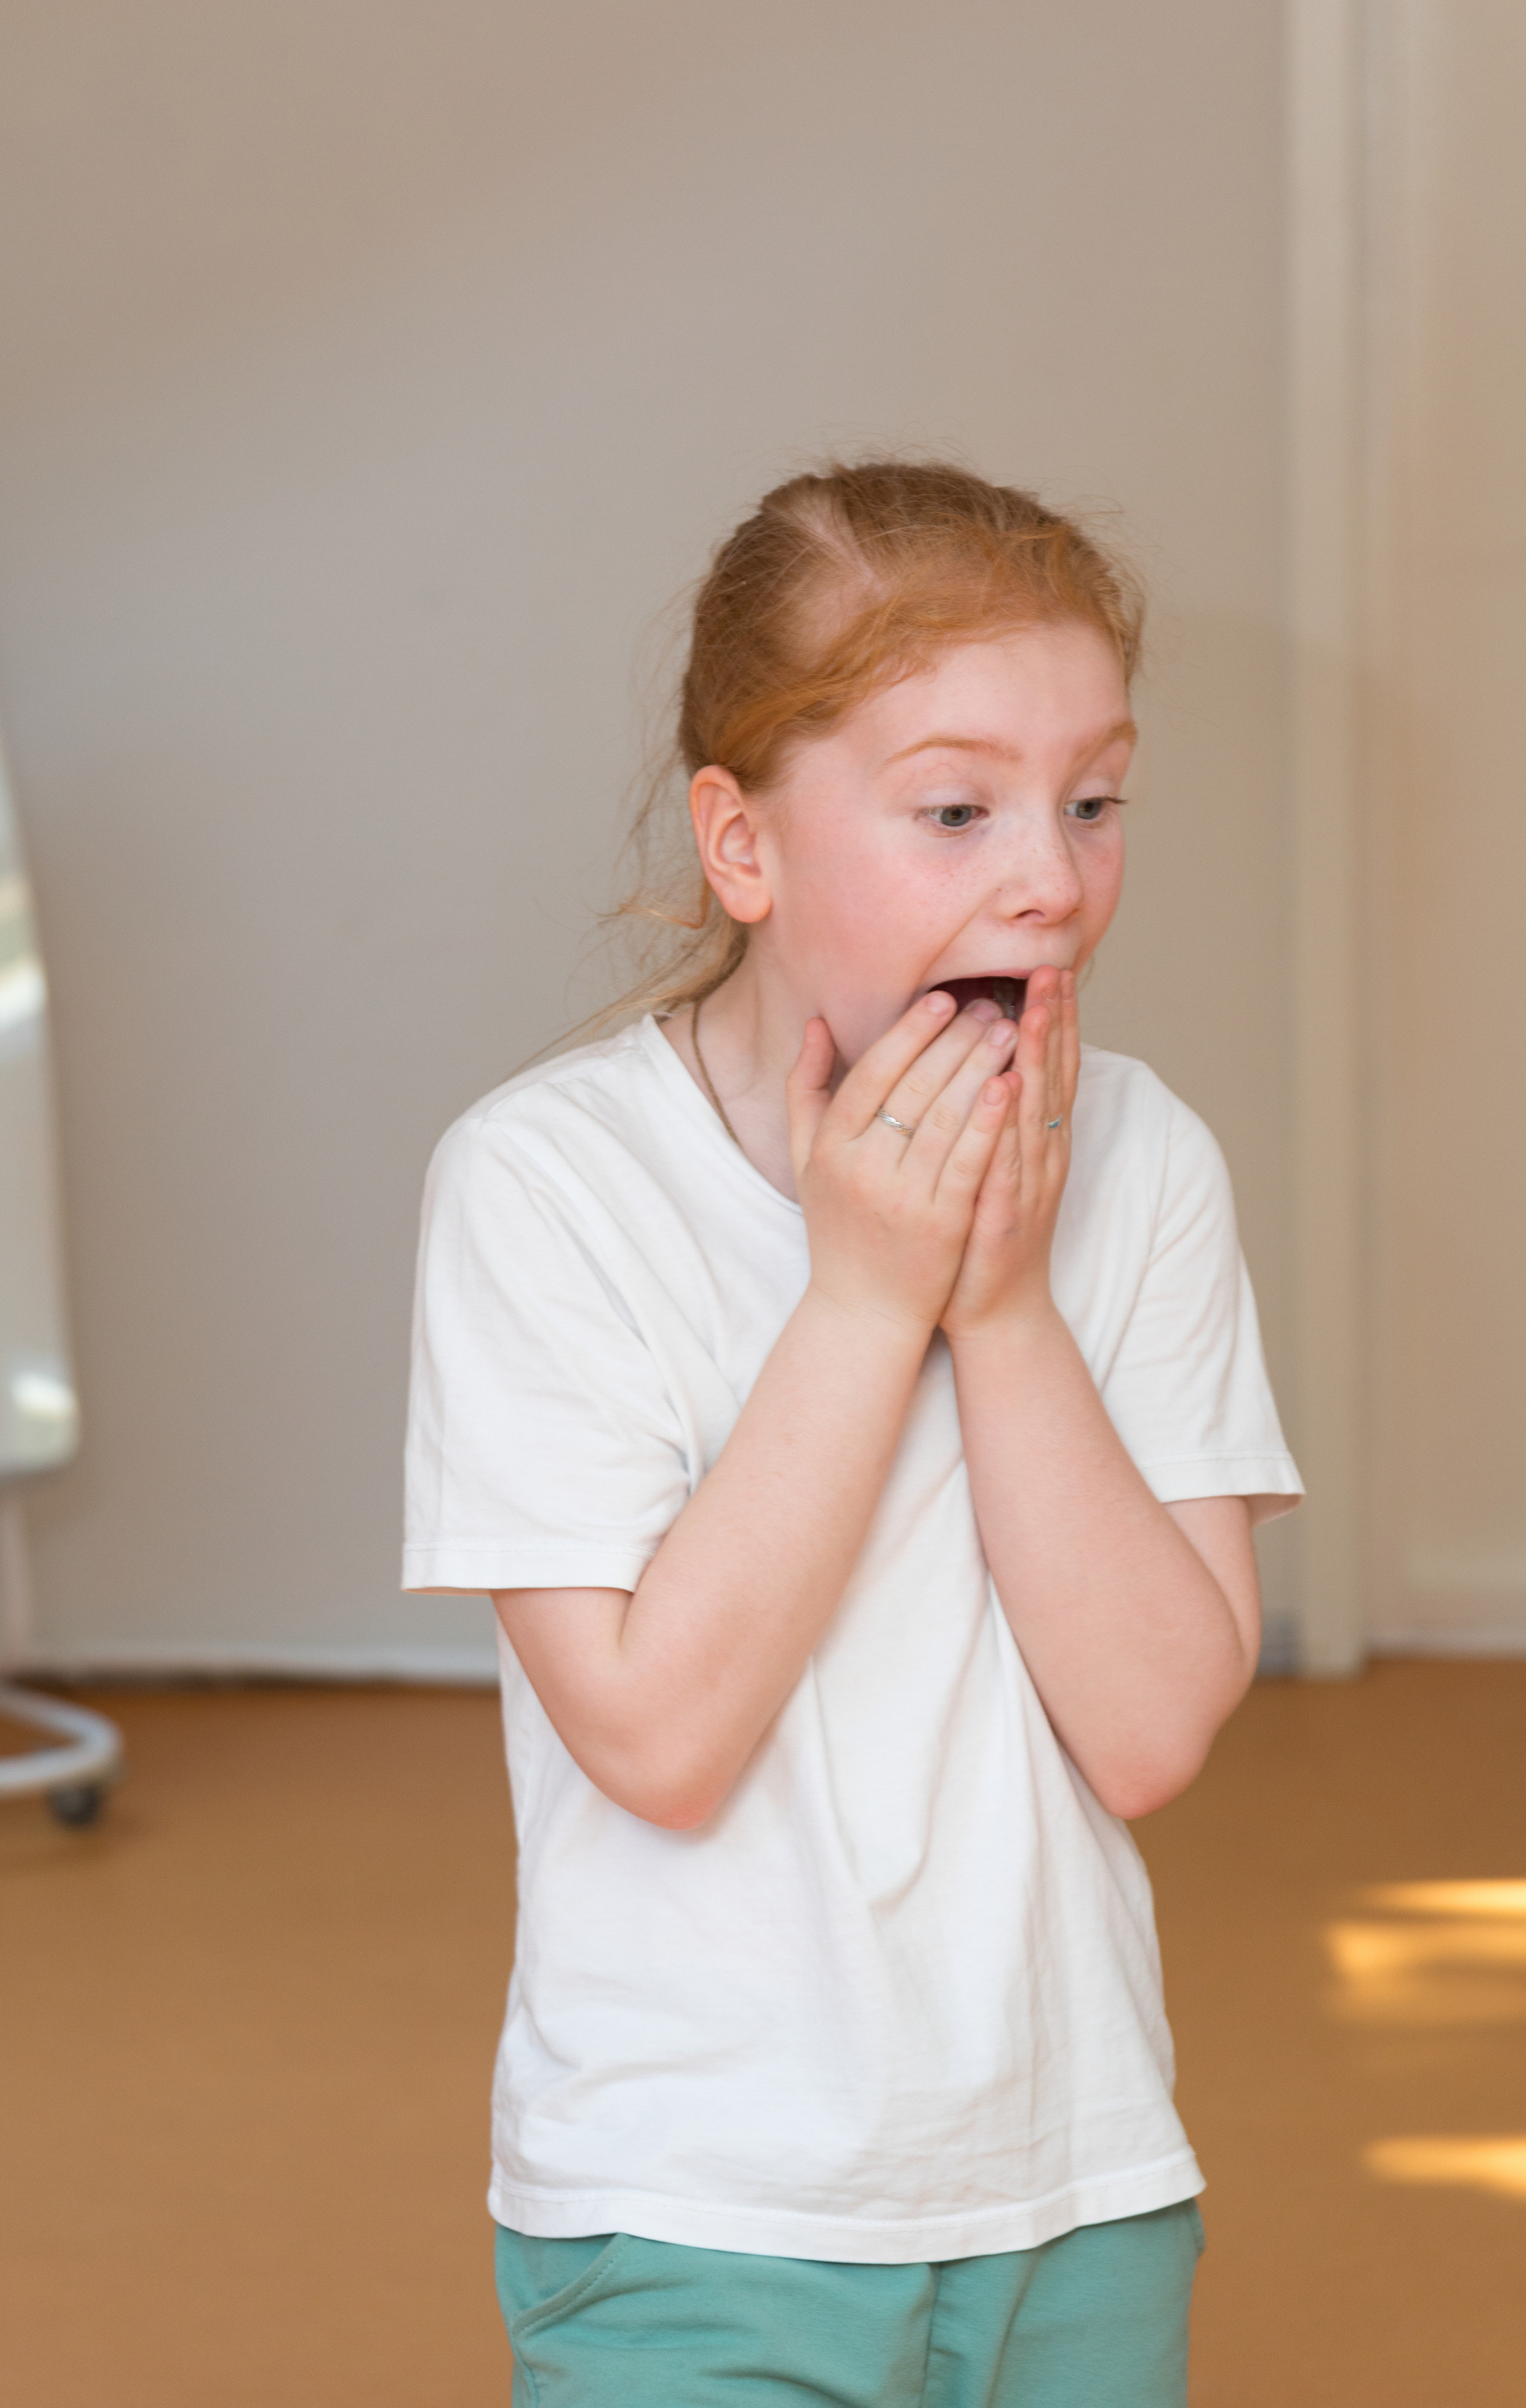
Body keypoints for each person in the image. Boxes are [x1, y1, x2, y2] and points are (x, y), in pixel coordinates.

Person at [403, 460, 1302, 2407]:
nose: (1049, 877)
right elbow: (657, 1739)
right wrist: (868, 1299)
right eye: (956, 809)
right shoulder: (544, 1188)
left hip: (1080, 2193)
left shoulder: (1145, 1162)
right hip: (690, 2211)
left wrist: (1004, 1306)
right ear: (742, 843)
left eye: (1092, 800)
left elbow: (1152, 1731)